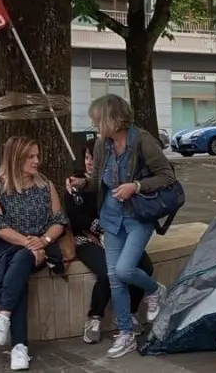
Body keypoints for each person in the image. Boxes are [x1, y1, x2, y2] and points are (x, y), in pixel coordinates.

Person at [85, 94, 176, 359]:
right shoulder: (103, 144)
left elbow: (167, 177)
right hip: (111, 218)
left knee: (124, 270)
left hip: (138, 216)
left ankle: (155, 290)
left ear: (112, 118)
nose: (95, 126)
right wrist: (81, 183)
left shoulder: (143, 142)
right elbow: (96, 180)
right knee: (115, 278)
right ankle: (125, 334)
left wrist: (135, 186)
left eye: (98, 120)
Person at [0, 136, 68, 371]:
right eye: (31, 157)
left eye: (38, 155)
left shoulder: (45, 185)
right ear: (15, 158)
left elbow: (59, 221)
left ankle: (4, 318)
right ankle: (19, 347)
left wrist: (43, 241)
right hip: (7, 244)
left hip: (40, 244)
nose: (37, 161)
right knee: (20, 263)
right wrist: (29, 244)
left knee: (22, 260)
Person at [63, 137, 155, 345]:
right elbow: (75, 218)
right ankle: (94, 317)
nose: (88, 162)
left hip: (117, 235)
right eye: (86, 157)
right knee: (107, 272)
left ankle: (131, 311)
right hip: (86, 239)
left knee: (144, 266)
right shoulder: (75, 183)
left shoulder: (112, 181)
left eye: (93, 158)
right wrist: (100, 225)